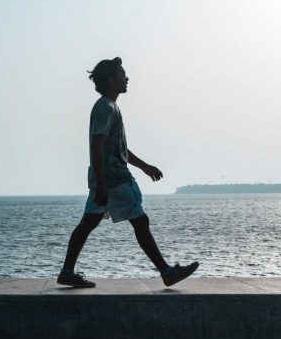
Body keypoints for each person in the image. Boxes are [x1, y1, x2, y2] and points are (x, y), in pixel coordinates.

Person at [57, 57, 199, 288]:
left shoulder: (110, 107)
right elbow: (97, 146)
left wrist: (144, 166)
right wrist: (102, 184)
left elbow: (117, 147)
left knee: (88, 223)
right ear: (112, 79)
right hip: (114, 180)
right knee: (140, 221)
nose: (127, 78)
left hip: (105, 179)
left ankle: (66, 271)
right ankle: (166, 271)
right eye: (122, 74)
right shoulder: (106, 108)